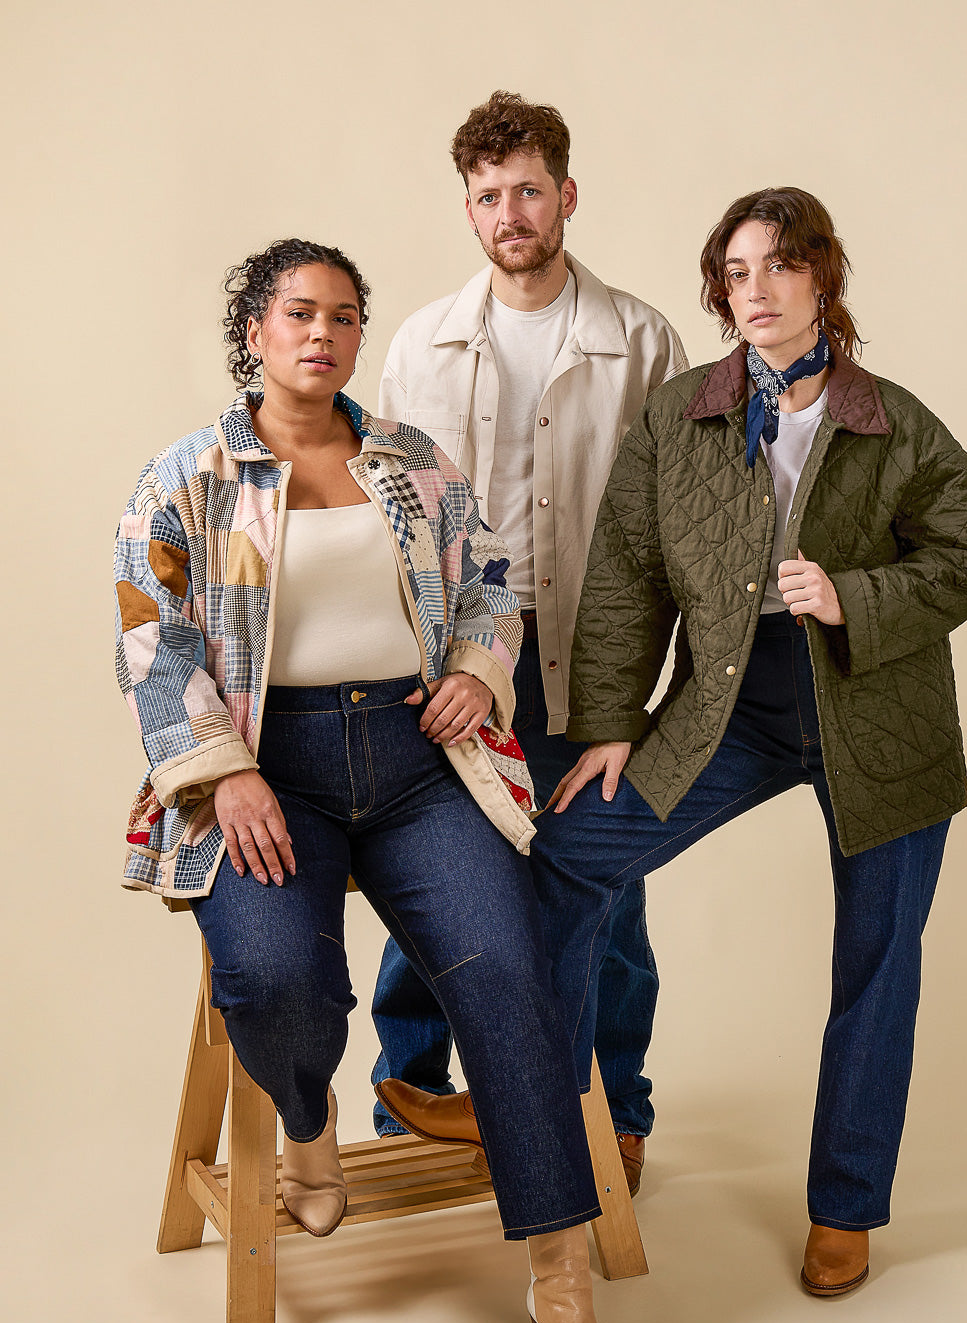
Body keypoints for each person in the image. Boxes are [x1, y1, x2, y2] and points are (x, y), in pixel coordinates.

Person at [113, 238, 619, 1323]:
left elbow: (490, 580)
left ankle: (562, 1281)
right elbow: (152, 640)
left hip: (416, 761)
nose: (322, 334)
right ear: (253, 332)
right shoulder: (186, 477)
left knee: (511, 973)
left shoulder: (410, 461)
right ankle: (308, 1120)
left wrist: (479, 673)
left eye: (343, 317)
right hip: (267, 768)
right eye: (299, 313)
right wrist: (225, 774)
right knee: (273, 976)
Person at [521, 186, 967, 1295]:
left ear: (823, 278)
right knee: (571, 858)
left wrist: (852, 596)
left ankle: (846, 1206)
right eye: (735, 273)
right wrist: (609, 726)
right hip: (730, 706)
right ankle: (569, 1124)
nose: (756, 291)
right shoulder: (680, 414)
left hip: (878, 709)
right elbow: (628, 573)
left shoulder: (894, 420)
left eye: (779, 266)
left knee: (877, 961)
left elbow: (966, 557)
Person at [370, 91, 688, 1193]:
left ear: (567, 196)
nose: (510, 213)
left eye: (528, 191)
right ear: (468, 209)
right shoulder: (419, 342)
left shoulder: (641, 339)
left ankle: (616, 1111)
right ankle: (410, 1090)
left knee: (602, 881)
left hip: (591, 651)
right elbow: (390, 514)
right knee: (430, 871)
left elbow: (672, 519)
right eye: (487, 196)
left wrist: (652, 677)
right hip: (448, 654)